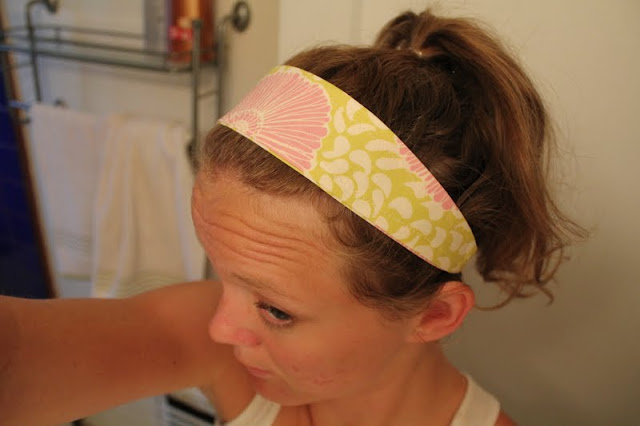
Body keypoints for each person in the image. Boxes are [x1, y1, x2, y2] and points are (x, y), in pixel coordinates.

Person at [0, 8, 583, 426]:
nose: (218, 328)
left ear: (433, 315)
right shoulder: (232, 348)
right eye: (222, 273)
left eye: (276, 310)